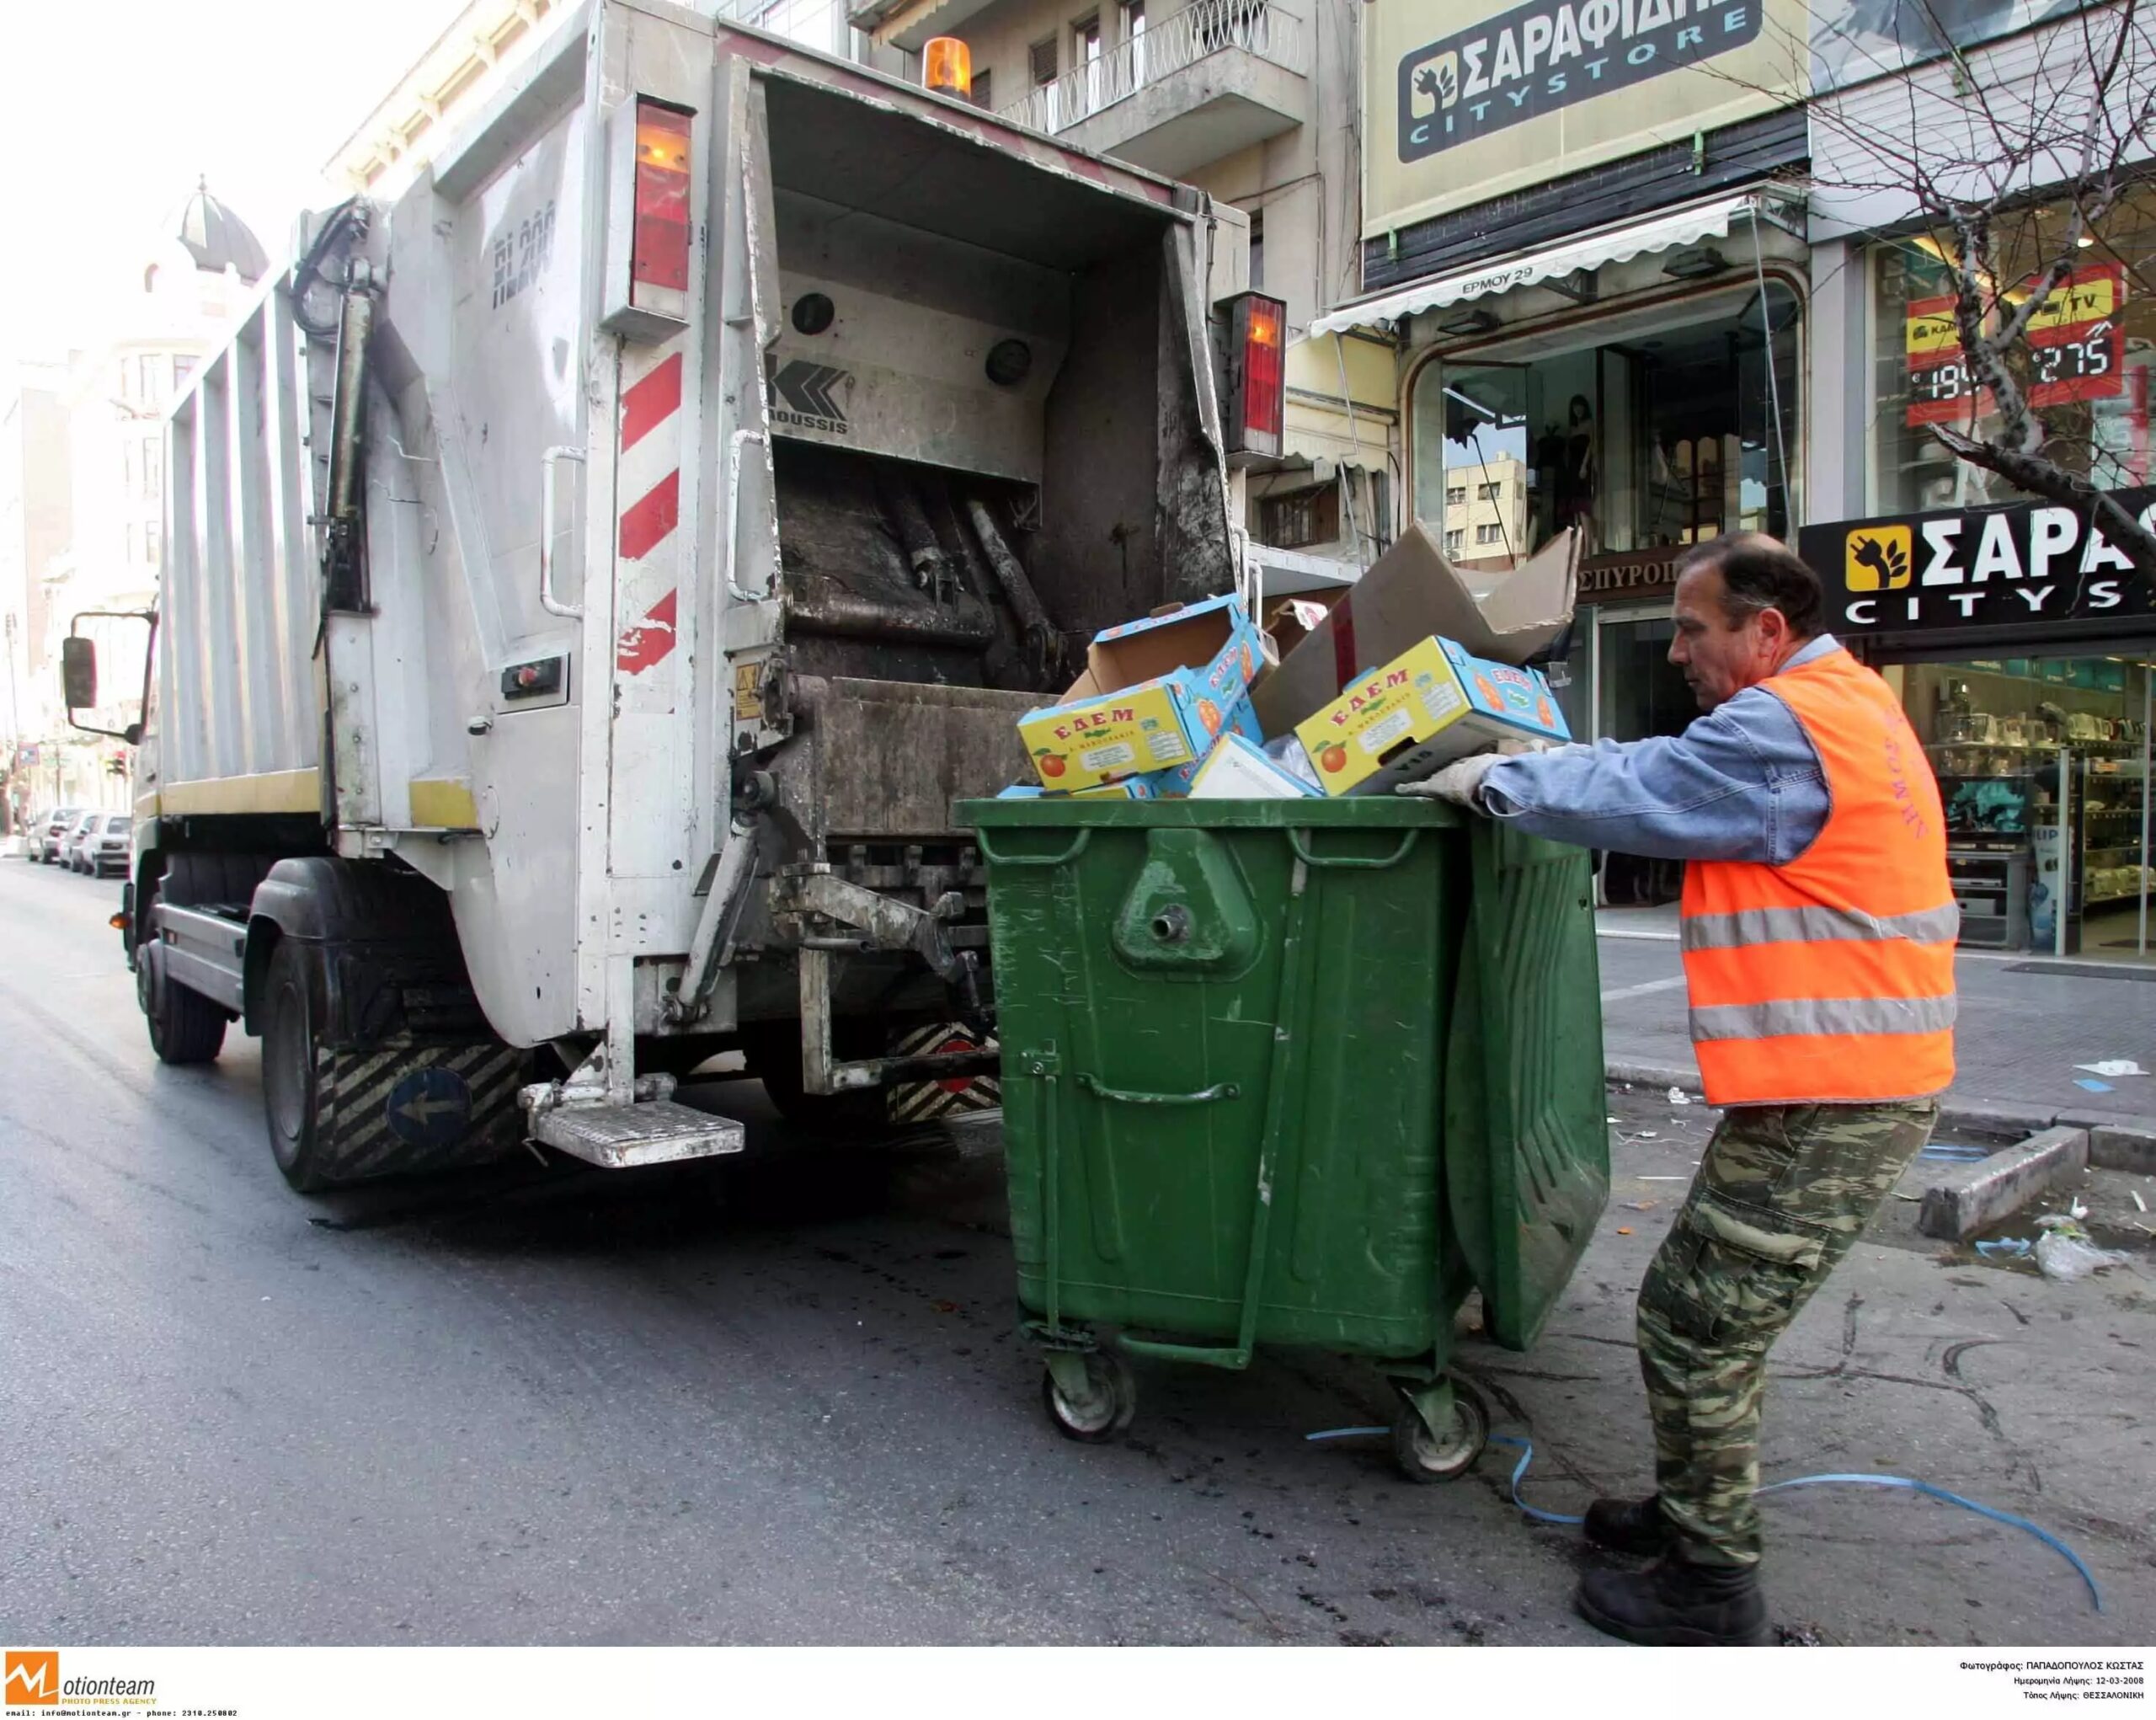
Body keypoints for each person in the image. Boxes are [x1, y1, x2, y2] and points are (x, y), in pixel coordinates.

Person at [1406, 532, 1956, 1648]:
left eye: (1694, 627)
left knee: (1695, 1324)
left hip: (1837, 1093)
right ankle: (1690, 1503)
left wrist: (1498, 777)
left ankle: (1712, 1585)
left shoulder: (1783, 726)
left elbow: (1644, 784)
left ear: (1767, 631)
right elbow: (1657, 764)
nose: (1678, 647)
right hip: (1846, 1082)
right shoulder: (1848, 702)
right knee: (1702, 1312)